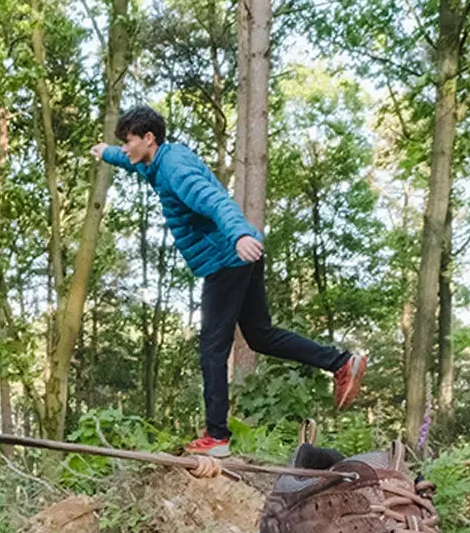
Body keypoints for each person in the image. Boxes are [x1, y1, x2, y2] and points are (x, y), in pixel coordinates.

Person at [92, 104, 367, 456]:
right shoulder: (159, 161)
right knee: (260, 335)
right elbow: (133, 163)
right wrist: (108, 154)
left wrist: (238, 234)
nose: (126, 148)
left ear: (148, 138)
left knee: (212, 347)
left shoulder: (175, 170)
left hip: (227, 258)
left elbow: (214, 201)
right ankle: (340, 361)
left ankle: (217, 437)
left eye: (128, 142)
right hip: (237, 256)